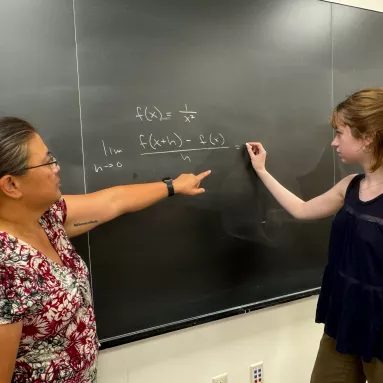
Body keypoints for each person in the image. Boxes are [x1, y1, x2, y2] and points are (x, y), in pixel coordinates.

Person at [0, 117, 211, 383]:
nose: (57, 167)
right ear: (11, 185)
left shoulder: (47, 218)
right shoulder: (6, 267)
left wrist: (173, 186)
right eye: (46, 161)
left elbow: (114, 201)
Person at [246, 88, 383, 383]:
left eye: (340, 133)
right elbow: (302, 209)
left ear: (368, 136)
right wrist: (262, 171)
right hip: (343, 320)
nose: (333, 142)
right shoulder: (350, 186)